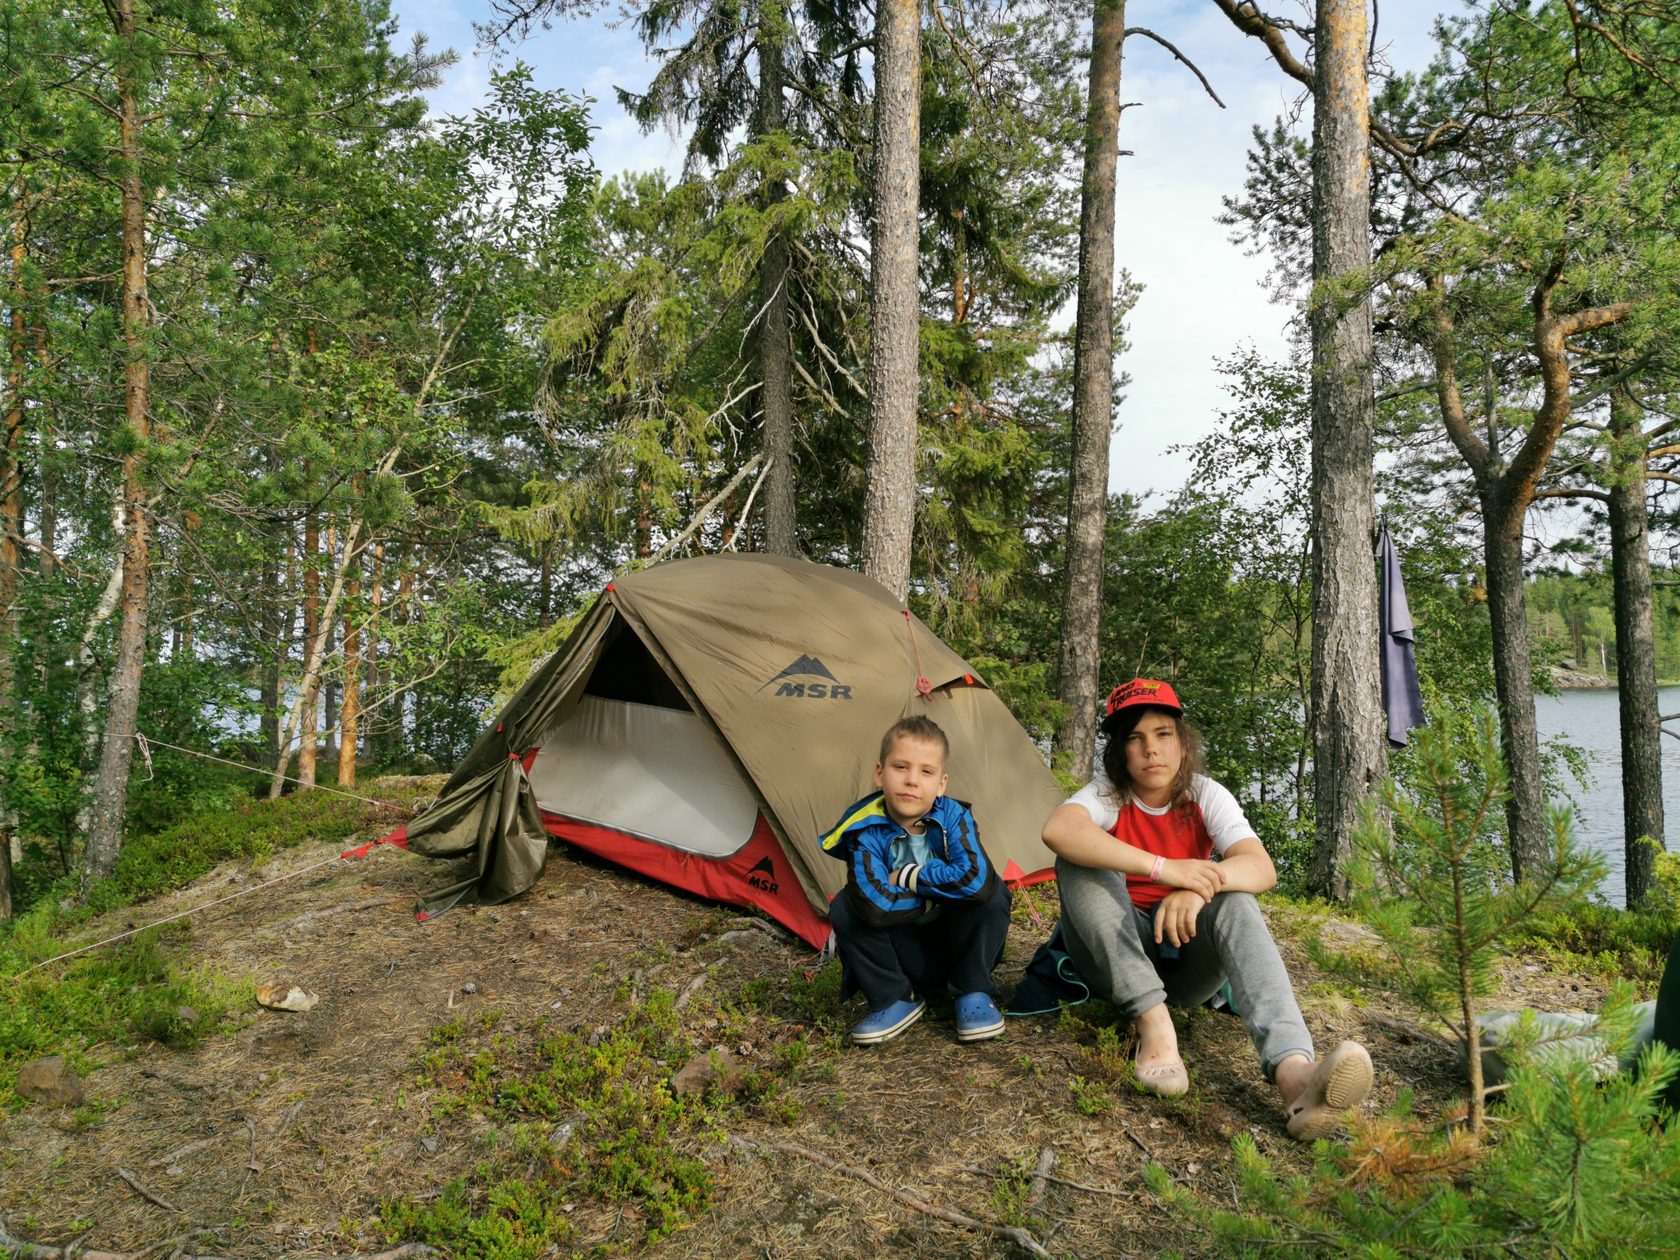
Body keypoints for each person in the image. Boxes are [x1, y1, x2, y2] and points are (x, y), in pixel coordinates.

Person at [1041, 678, 1374, 1140]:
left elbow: (1260, 868)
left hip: (1185, 966)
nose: (1150, 750)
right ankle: (1154, 1026)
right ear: (1119, 751)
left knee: (1234, 896)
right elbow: (1059, 830)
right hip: (1111, 960)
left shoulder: (1204, 794)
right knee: (1077, 862)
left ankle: (1294, 1073)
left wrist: (1199, 887)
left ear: (1182, 741)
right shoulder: (1107, 795)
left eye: (1162, 734)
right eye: (1134, 738)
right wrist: (1165, 869)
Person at [821, 715, 1011, 1046]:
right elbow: (873, 905)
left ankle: (973, 992)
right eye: (901, 767)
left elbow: (976, 882)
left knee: (993, 893)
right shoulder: (865, 828)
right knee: (845, 907)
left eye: (926, 772)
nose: (912, 780)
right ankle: (894, 999)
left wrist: (909, 877)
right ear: (879, 774)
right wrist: (934, 896)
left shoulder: (954, 817)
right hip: (904, 954)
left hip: (957, 947)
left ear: (941, 784)